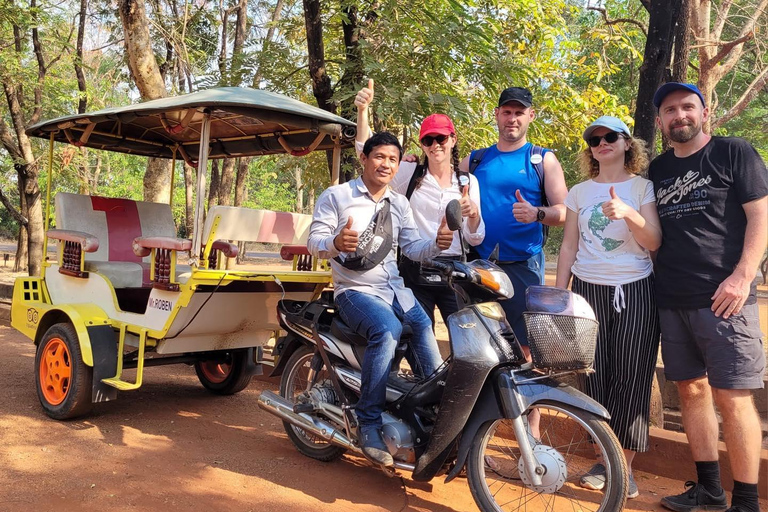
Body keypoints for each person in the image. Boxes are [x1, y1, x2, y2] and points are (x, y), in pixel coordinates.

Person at [649, 82, 767, 512]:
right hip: (672, 298)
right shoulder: (658, 170)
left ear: (704, 111)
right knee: (691, 391)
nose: (679, 115)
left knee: (733, 396)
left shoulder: (734, 152)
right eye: (669, 110)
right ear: (661, 121)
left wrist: (742, 275)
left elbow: (760, 215)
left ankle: (748, 501)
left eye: (687, 107)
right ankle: (709, 489)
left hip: (725, 299)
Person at [307, 131, 453, 468]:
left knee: (428, 347)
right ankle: (369, 421)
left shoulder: (399, 203)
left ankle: (429, 423)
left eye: (393, 159)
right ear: (364, 158)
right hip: (355, 291)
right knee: (387, 330)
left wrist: (439, 244)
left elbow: (414, 248)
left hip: (396, 292)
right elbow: (314, 241)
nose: (386, 164)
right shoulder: (338, 195)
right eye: (380, 157)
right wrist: (335, 243)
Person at [555, 115, 662, 500]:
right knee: (594, 377)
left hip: (635, 290)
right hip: (587, 291)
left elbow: (653, 241)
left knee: (632, 377)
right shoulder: (580, 193)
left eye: (610, 137)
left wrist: (630, 214)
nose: (602, 143)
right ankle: (605, 457)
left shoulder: (642, 187)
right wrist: (560, 296)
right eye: (595, 139)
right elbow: (568, 245)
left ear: (627, 143)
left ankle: (625, 469)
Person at [354, 79, 485, 327]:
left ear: (453, 140)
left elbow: (476, 238)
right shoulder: (409, 175)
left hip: (454, 270)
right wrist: (363, 111)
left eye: (441, 139)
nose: (436, 145)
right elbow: (367, 150)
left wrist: (474, 214)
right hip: (416, 267)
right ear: (422, 145)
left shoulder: (468, 182)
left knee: (465, 336)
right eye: (428, 140)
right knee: (417, 336)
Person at [458, 86, 568, 355]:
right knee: (478, 343)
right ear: (496, 115)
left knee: (523, 346)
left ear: (531, 115)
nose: (512, 118)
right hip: (479, 264)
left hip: (523, 266)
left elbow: (564, 212)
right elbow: (437, 182)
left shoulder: (543, 159)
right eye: (507, 112)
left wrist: (537, 213)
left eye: (519, 112)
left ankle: (516, 396)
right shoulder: (475, 159)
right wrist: (414, 163)